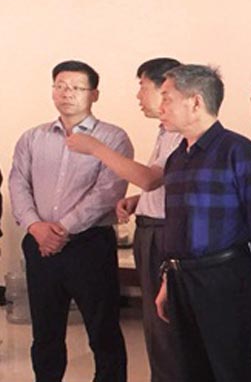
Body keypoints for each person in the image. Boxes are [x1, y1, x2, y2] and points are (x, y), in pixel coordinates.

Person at [154, 64, 251, 382]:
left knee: (229, 368)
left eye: (167, 98)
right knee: (188, 368)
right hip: (180, 277)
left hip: (223, 278)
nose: (160, 107)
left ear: (195, 102)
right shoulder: (176, 158)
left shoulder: (239, 151)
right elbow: (176, 223)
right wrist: (168, 278)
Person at [9, 60, 133, 382]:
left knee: (102, 329)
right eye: (60, 86)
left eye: (77, 87)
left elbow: (108, 191)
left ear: (94, 94)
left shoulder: (113, 138)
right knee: (45, 330)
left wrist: (61, 230)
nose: (67, 93)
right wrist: (35, 226)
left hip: (89, 244)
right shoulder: (32, 138)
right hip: (39, 242)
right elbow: (18, 183)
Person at [66, 58, 184, 381]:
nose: (138, 96)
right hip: (150, 229)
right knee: (156, 327)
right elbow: (163, 184)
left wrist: (96, 148)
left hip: (164, 234)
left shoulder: (179, 133)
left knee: (165, 325)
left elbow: (150, 178)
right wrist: (139, 201)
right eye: (60, 86)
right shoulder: (165, 132)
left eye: (143, 87)